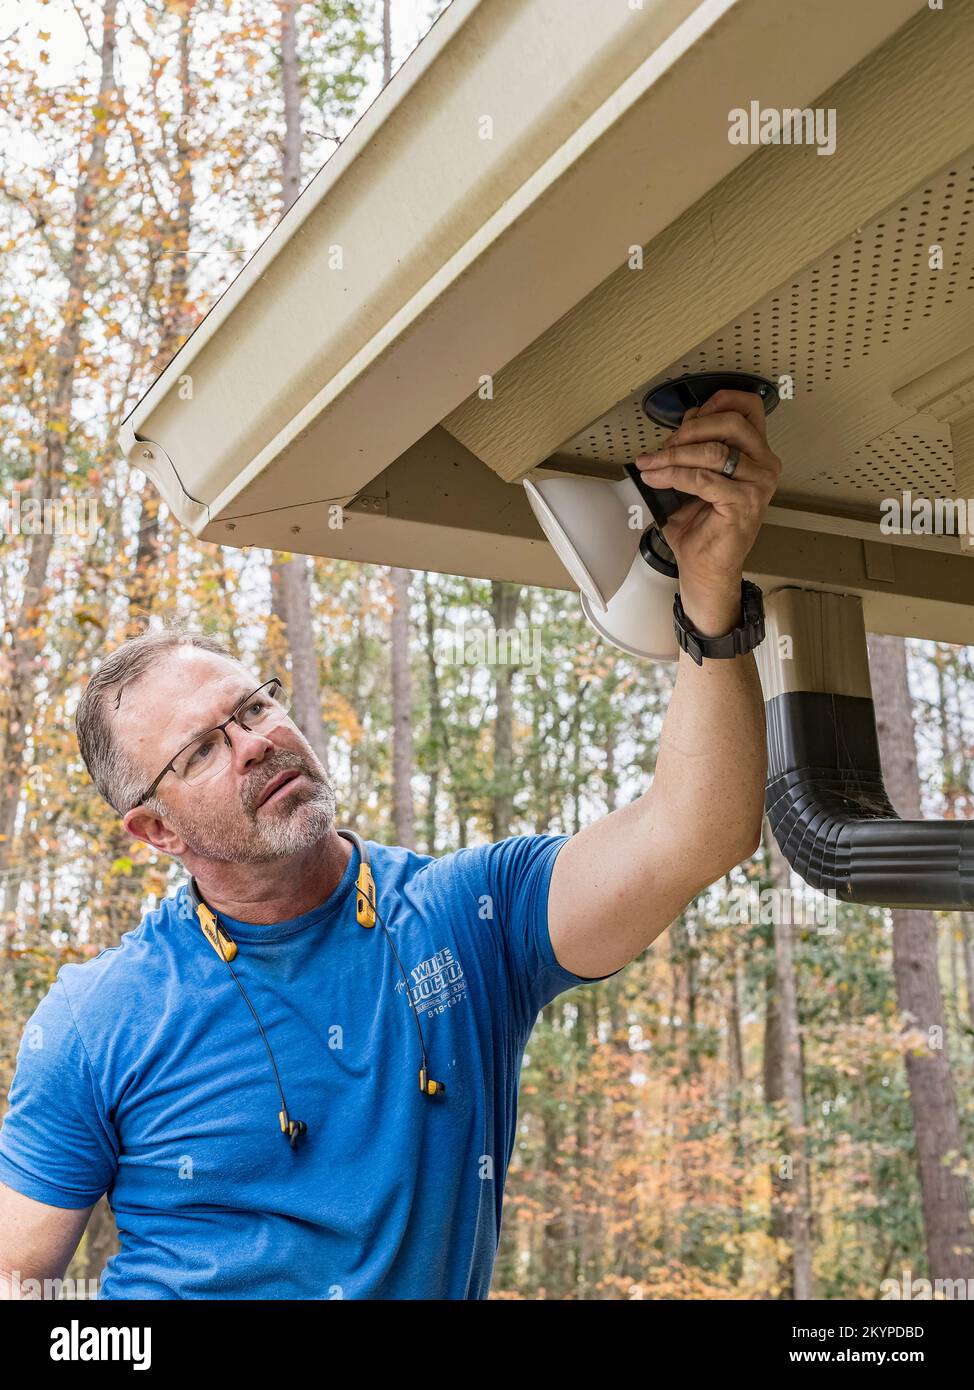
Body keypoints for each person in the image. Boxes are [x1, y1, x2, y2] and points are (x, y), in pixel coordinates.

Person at [0, 390, 781, 1299]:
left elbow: (694, 833)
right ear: (155, 829)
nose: (256, 742)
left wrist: (711, 596)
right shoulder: (98, 1017)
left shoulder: (471, 918)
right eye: (203, 749)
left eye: (254, 707)